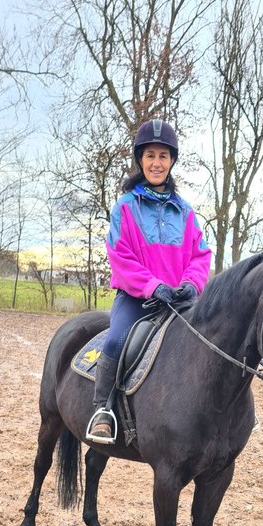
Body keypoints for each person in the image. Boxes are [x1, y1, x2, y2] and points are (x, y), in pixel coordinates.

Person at [86, 118, 211, 443]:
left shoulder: (185, 212)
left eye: (163, 156)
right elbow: (120, 256)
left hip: (180, 301)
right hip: (137, 299)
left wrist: (190, 284)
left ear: (172, 161)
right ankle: (103, 410)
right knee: (115, 340)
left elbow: (200, 255)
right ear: (140, 160)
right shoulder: (125, 207)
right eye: (150, 155)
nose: (157, 163)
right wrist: (153, 286)